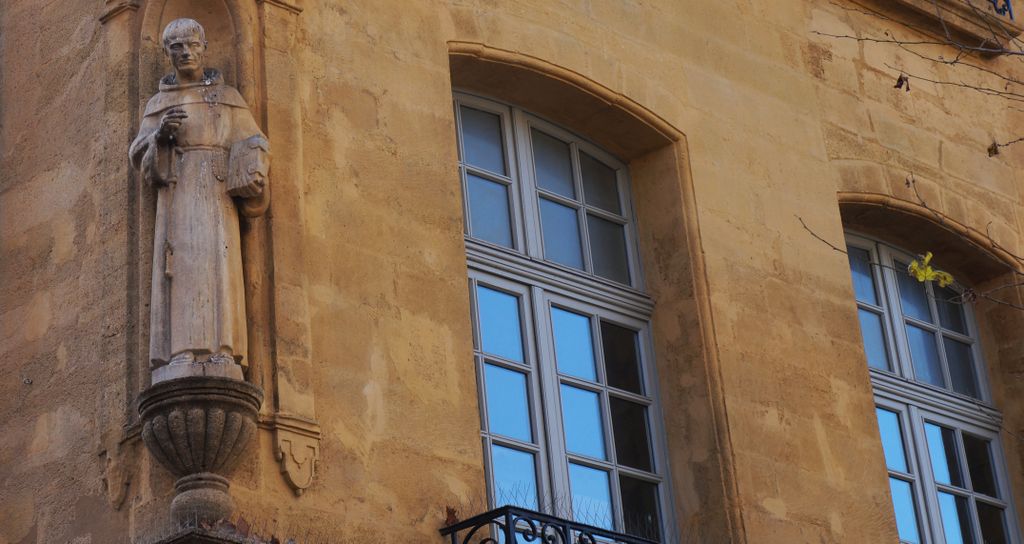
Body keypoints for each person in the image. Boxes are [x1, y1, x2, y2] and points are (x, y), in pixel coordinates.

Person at [130, 18, 269, 380]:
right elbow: (138, 152)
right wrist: (162, 135)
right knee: (182, 271)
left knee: (219, 266)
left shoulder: (226, 98)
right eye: (176, 47)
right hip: (178, 193)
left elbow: (254, 141)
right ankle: (180, 353)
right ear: (167, 54)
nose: (185, 52)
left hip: (216, 193)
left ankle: (224, 351)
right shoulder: (159, 104)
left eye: (191, 45)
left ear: (204, 47)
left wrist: (251, 171)